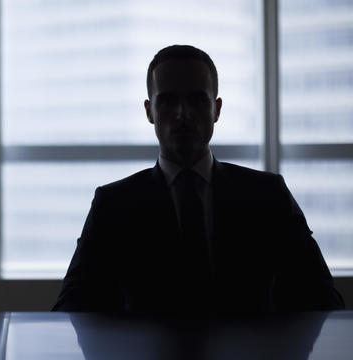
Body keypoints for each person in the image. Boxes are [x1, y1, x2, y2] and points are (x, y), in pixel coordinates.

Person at [53, 45, 344, 313]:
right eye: (168, 101)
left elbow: (322, 299)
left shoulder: (268, 196)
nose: (183, 114)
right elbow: (72, 310)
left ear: (216, 110)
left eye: (196, 100)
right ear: (149, 111)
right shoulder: (113, 206)